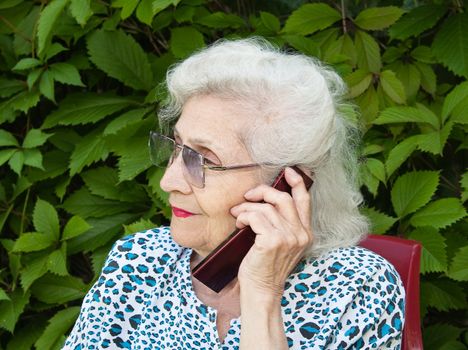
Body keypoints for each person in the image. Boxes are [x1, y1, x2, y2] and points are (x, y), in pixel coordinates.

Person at [63, 38, 404, 349]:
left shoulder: (355, 289)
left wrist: (262, 294)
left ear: (286, 183)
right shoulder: (139, 261)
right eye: (177, 147)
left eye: (204, 160)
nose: (169, 181)